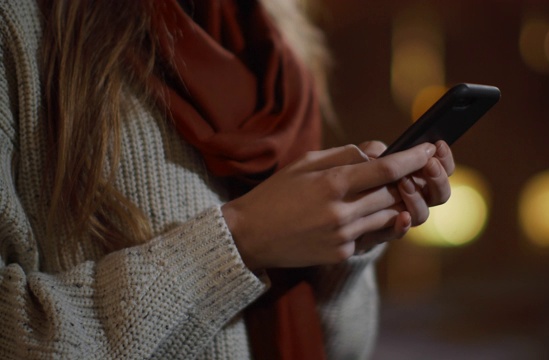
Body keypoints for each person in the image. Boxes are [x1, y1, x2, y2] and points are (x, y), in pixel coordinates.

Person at [0, 0, 455, 359]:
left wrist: (346, 240)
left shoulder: (280, 46)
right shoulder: (21, 26)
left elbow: (344, 349)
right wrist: (242, 240)